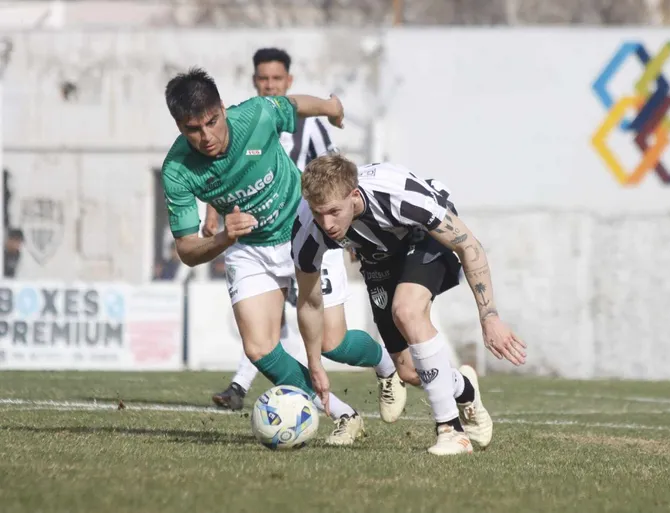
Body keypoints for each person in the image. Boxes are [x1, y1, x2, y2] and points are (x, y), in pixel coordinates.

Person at [161, 68, 403, 446]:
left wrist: (331, 108)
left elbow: (295, 105)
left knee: (331, 344)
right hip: (248, 249)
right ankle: (343, 414)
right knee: (258, 347)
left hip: (304, 230)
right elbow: (188, 251)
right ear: (179, 127)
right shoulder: (176, 170)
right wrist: (226, 235)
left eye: (212, 121)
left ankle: (386, 366)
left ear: (223, 109)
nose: (206, 136)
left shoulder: (255, 115)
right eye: (193, 129)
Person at [291, 155, 528, 455]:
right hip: (379, 255)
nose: (326, 223)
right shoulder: (306, 230)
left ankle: (452, 432)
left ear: (354, 195)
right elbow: (310, 303)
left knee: (406, 309)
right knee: (409, 371)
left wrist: (489, 316)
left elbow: (469, 245)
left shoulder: (399, 195)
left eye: (334, 212)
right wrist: (315, 364)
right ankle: (465, 389)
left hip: (423, 236)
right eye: (317, 213)